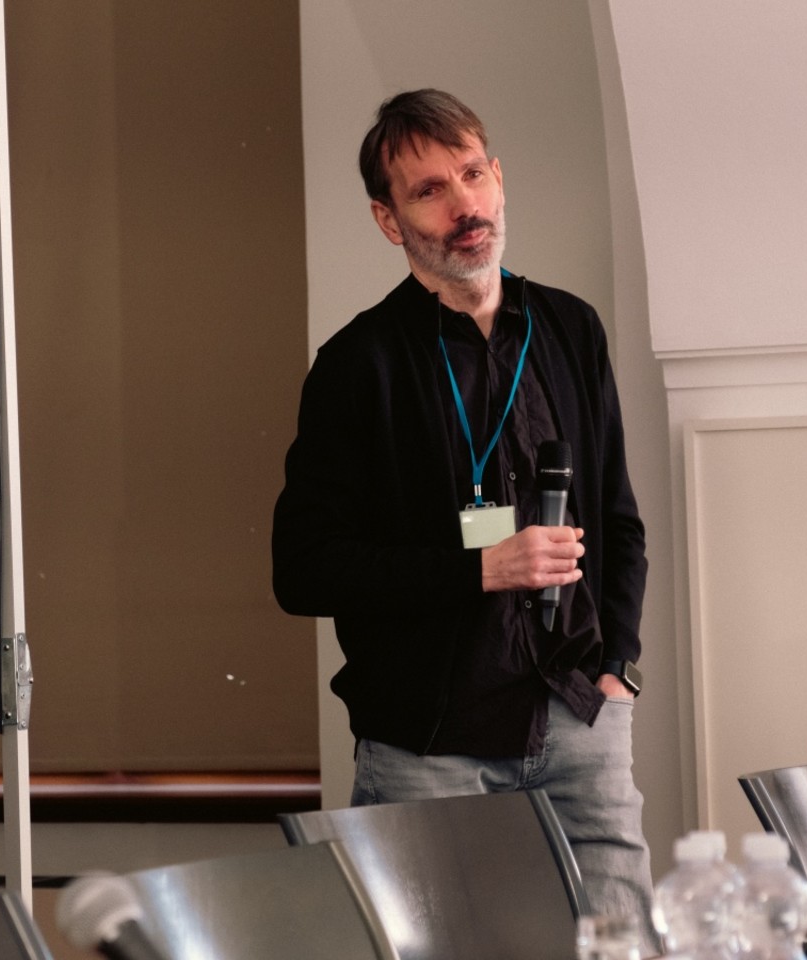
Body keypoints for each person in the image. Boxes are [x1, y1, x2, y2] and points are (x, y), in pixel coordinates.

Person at [272, 88, 656, 945]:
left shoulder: (570, 328)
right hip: (430, 744)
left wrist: (618, 671)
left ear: (499, 179)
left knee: (622, 948)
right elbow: (302, 569)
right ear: (388, 219)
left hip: (578, 715)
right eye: (429, 191)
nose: (464, 206)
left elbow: (619, 522)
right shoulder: (357, 365)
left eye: (473, 175)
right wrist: (479, 568)